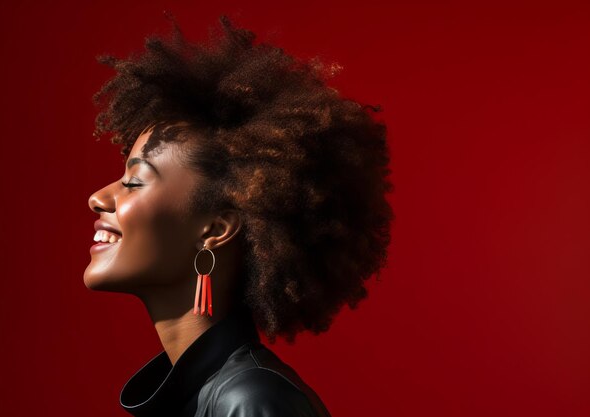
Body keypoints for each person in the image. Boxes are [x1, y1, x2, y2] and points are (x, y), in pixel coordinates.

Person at [84, 15, 393, 417]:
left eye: (135, 181)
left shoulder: (249, 401)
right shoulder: (206, 395)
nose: (97, 198)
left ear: (214, 230)